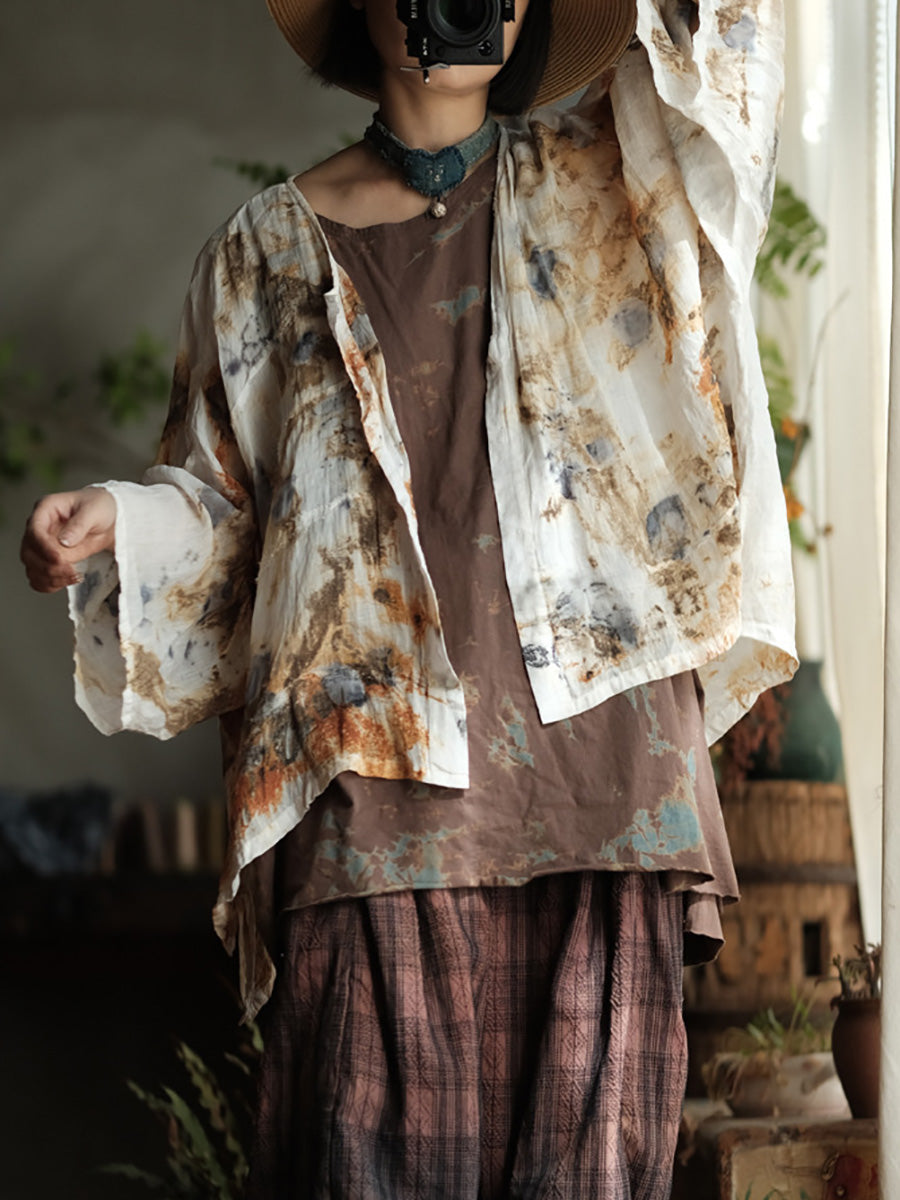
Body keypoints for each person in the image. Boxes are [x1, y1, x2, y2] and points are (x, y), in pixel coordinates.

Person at [21, 0, 796, 1195]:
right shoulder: (259, 255)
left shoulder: (613, 178)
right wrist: (127, 518)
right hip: (369, 785)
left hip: (606, 782)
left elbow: (728, 63)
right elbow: (236, 518)